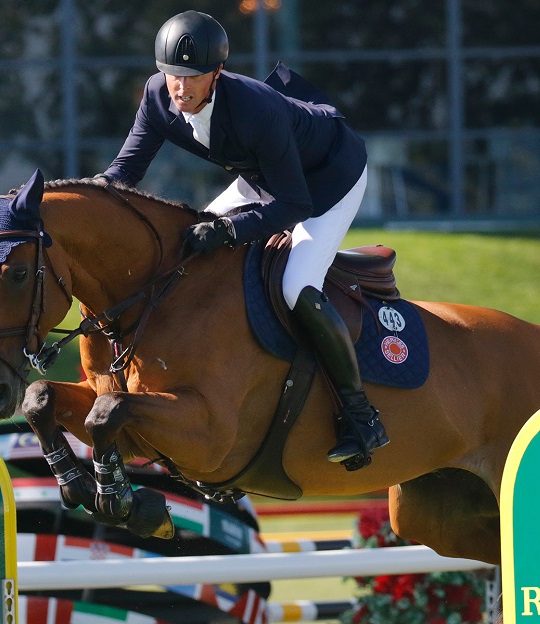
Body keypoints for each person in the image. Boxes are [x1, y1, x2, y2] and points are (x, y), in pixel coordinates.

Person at [96, 10, 388, 470]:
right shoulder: (156, 96)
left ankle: (361, 416)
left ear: (217, 73)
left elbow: (294, 205)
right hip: (263, 176)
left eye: (193, 76)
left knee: (296, 286)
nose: (181, 88)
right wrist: (87, 198)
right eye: (172, 75)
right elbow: (125, 171)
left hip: (329, 181)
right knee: (184, 251)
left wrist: (229, 230)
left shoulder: (255, 110)